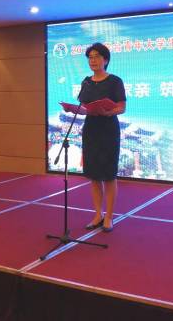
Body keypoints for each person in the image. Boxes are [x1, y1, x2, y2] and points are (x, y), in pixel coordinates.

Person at [66, 42, 126, 232]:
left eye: (97, 57)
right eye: (90, 57)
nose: (93, 60)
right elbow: (84, 108)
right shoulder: (86, 82)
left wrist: (109, 111)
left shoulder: (115, 81)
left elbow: (122, 107)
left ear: (105, 60)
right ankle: (98, 214)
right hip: (91, 129)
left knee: (108, 175)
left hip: (108, 129)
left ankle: (109, 217)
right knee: (93, 176)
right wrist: (74, 109)